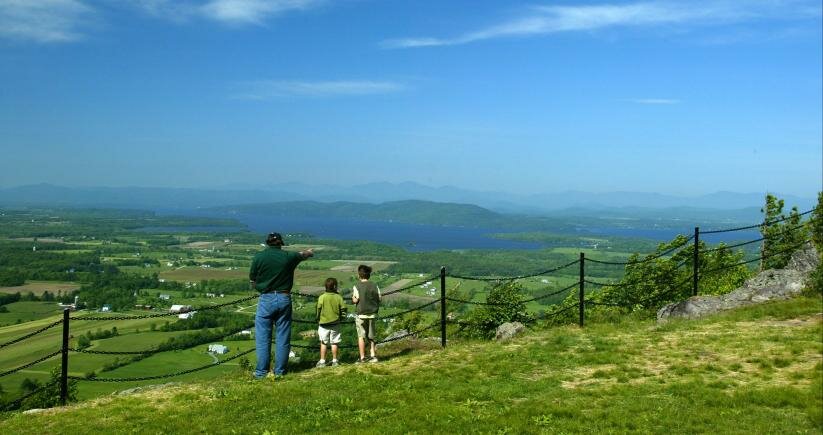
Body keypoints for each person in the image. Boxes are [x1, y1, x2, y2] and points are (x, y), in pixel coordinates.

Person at [249, 232, 313, 379]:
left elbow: (252, 281)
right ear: (280, 243)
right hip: (284, 297)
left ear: (267, 243)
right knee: (283, 336)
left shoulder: (259, 257)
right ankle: (279, 372)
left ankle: (261, 373)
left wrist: (261, 287)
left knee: (263, 337)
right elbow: (303, 254)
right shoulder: (288, 257)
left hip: (266, 298)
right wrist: (309, 252)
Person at [352, 264, 381, 363]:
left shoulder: (357, 286)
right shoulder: (374, 285)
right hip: (372, 314)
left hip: (361, 314)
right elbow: (379, 298)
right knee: (371, 336)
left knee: (361, 336)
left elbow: (356, 300)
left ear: (359, 275)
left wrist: (353, 298)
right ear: (369, 275)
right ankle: (373, 355)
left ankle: (362, 357)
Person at [315, 277, 346, 367]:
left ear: (325, 286)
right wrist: (341, 318)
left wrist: (318, 319)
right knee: (334, 342)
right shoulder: (338, 297)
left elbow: (318, 309)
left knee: (323, 342)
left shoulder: (322, 297)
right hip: (336, 323)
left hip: (323, 324)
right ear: (335, 286)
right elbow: (343, 309)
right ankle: (335, 360)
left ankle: (322, 361)